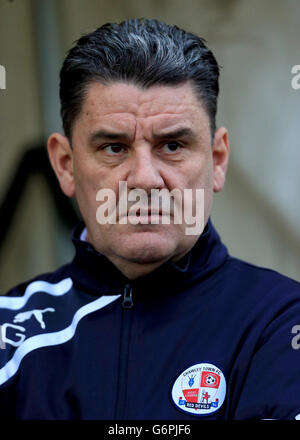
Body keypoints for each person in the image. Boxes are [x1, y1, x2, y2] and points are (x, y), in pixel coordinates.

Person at [0, 18, 300, 420]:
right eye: (113, 147)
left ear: (217, 159)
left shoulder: (280, 321)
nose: (144, 178)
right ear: (66, 165)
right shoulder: (9, 330)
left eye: (172, 145)